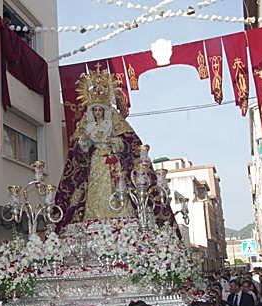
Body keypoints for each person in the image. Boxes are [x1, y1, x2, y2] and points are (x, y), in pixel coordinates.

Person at [54, 67, 174, 230]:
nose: (97, 112)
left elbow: (128, 143)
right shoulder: (87, 126)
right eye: (94, 109)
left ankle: (121, 216)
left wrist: (115, 143)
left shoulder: (114, 123)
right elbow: (79, 149)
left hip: (112, 161)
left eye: (100, 109)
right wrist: (85, 141)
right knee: (95, 188)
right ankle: (94, 216)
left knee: (115, 186)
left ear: (105, 110)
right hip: (96, 161)